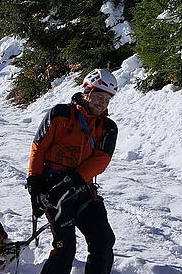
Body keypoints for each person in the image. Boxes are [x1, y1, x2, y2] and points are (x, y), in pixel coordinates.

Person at [27, 69, 119, 274]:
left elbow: (101, 160)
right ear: (86, 91)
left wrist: (73, 180)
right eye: (98, 96)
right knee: (65, 247)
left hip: (82, 188)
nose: (102, 103)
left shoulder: (108, 127)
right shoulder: (60, 114)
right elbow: (39, 148)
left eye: (107, 99)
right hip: (52, 187)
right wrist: (34, 181)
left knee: (103, 241)